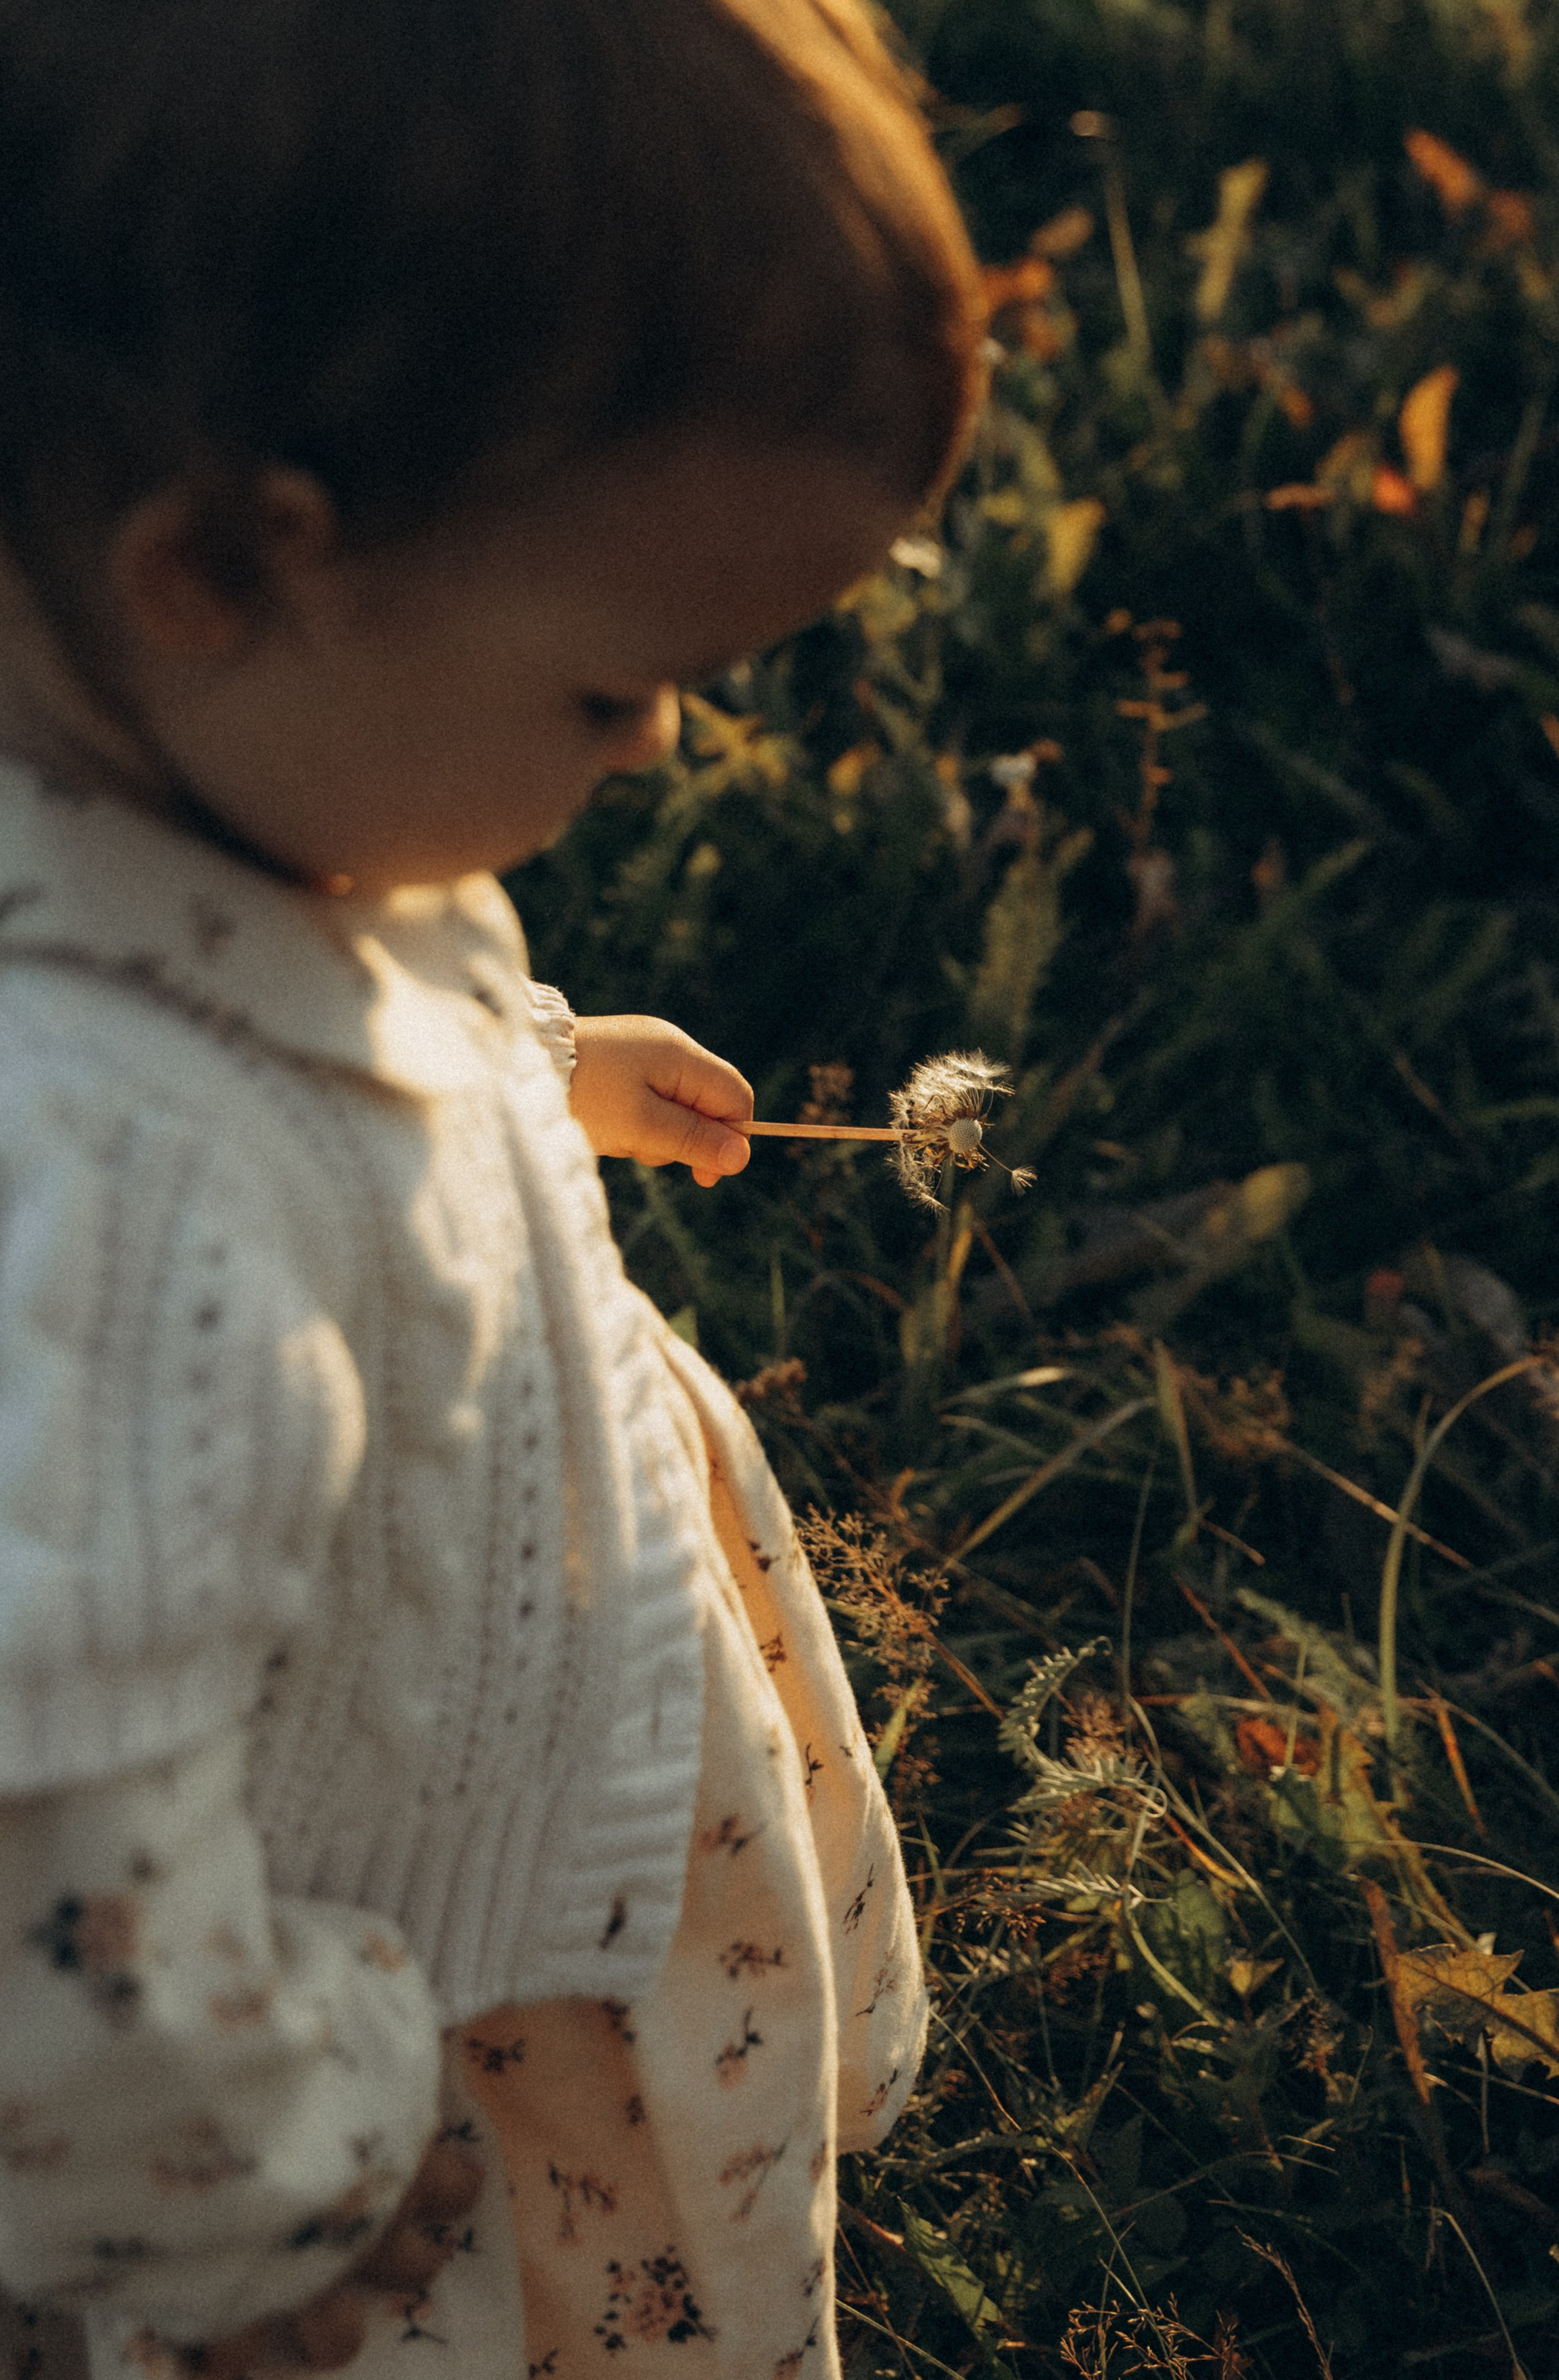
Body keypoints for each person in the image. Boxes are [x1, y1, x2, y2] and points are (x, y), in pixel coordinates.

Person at [0, 4, 984, 2378]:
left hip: (479, 1703)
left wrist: (528, 1071)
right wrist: (269, 2193)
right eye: (614, 692)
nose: (666, 743)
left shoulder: (189, 786)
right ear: (229, 563)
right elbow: (55, 1875)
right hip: (370, 1982)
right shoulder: (103, 1214)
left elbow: (285, 1018)